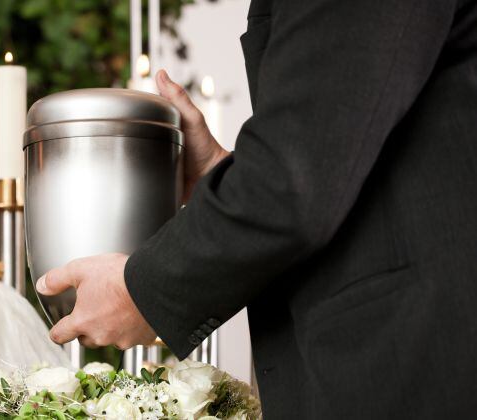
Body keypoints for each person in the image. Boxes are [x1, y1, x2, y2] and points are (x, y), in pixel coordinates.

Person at [35, 0, 477, 417]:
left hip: (413, 352)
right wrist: (221, 172)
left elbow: (296, 174)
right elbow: (329, 146)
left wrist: (142, 288)